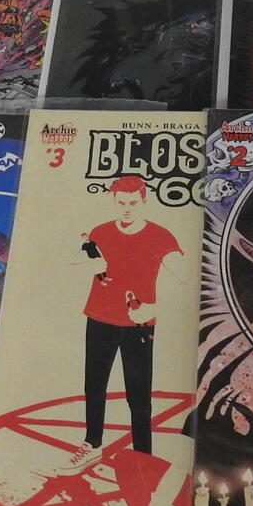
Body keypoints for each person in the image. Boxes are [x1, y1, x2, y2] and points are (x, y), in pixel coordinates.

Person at [64, 175, 183, 469]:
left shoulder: (161, 236)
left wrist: (155, 308)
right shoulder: (100, 232)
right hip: (99, 318)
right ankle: (92, 445)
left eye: (133, 203)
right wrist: (88, 261)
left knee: (139, 395)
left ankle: (143, 458)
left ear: (144, 201)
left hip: (139, 323)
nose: (127, 209)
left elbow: (187, 279)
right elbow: (71, 258)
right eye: (121, 203)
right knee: (94, 386)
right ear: (112, 201)